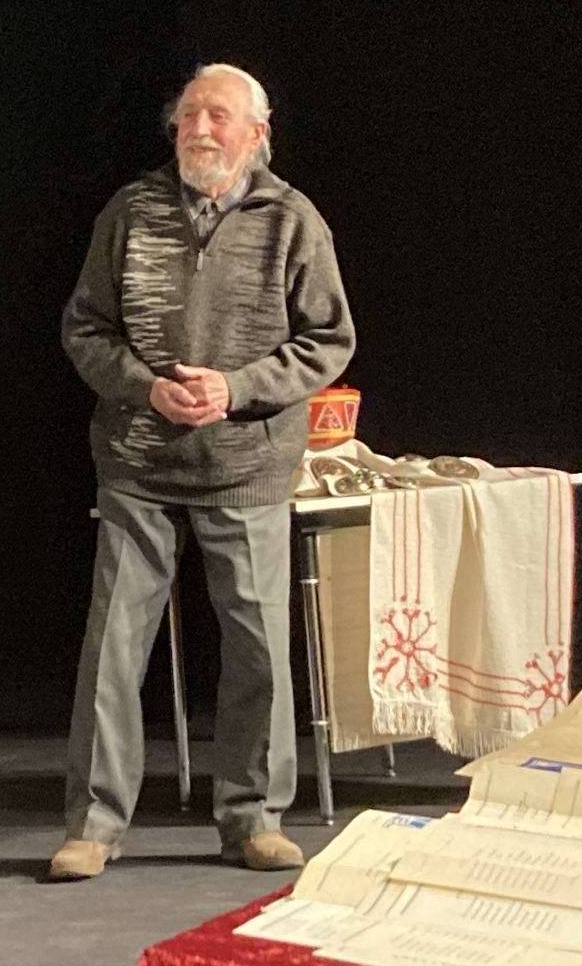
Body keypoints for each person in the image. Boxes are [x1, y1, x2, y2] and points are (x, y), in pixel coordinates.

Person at [52, 64, 355, 879]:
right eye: (189, 116)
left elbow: (328, 339)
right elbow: (86, 328)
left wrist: (238, 389)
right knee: (114, 646)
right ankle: (93, 824)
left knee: (257, 647)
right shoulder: (131, 211)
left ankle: (253, 818)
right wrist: (144, 386)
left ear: (257, 133)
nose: (199, 129)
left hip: (246, 465)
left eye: (218, 116)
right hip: (139, 463)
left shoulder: (292, 219)